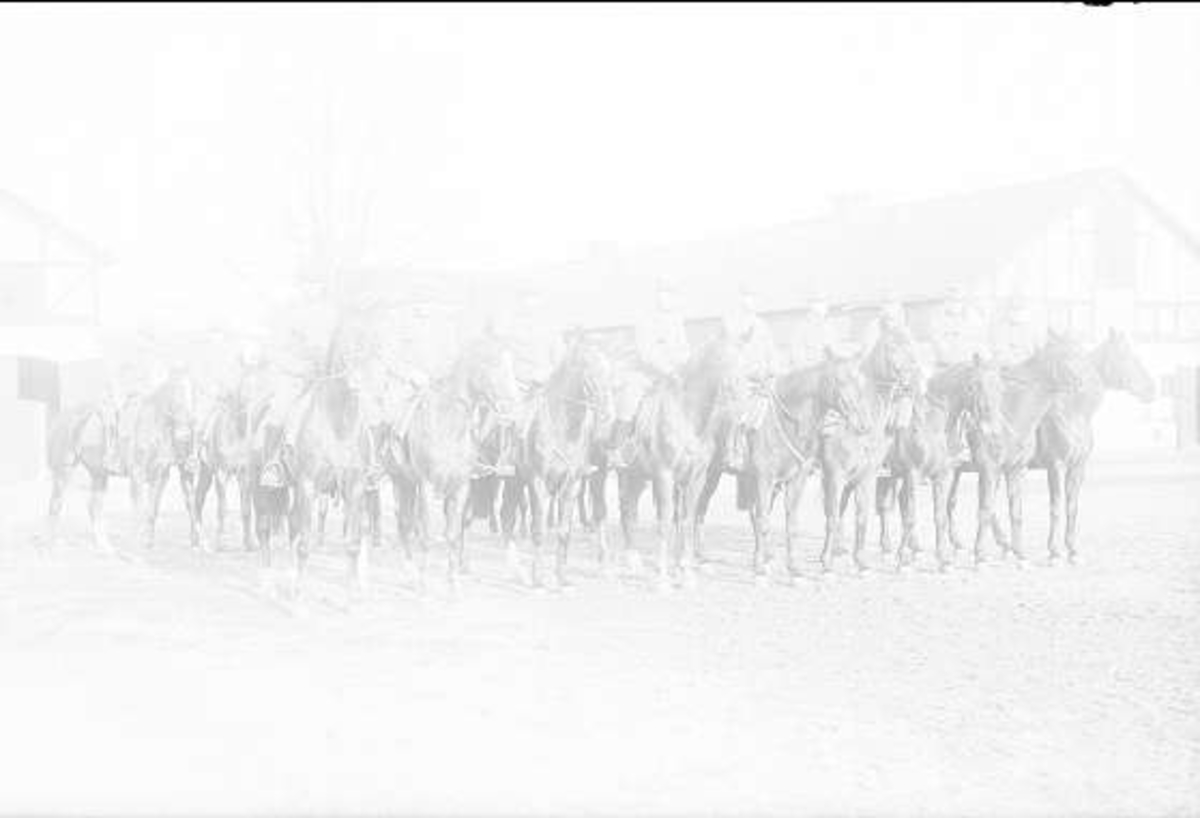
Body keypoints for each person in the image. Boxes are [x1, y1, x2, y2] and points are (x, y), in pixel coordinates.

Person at [607, 279, 692, 468]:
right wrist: (667, 369)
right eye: (661, 293)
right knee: (629, 399)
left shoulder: (677, 320)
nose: (664, 298)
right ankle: (616, 448)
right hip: (646, 375)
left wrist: (682, 364)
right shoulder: (645, 319)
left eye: (669, 294)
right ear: (656, 296)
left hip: (673, 375)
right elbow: (646, 353)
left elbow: (684, 349)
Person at [722, 284, 783, 471]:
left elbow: (772, 353)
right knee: (740, 412)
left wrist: (773, 369)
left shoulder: (762, 325)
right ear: (739, 299)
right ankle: (735, 451)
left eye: (752, 297)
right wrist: (750, 372)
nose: (749, 301)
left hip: (763, 381)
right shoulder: (732, 324)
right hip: (742, 381)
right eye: (746, 296)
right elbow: (732, 356)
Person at [787, 300, 836, 370]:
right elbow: (796, 353)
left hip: (821, 367)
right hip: (806, 368)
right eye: (818, 315)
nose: (821, 319)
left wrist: (831, 358)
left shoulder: (826, 328)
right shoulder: (802, 328)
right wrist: (804, 366)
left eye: (824, 316)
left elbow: (829, 349)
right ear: (812, 314)